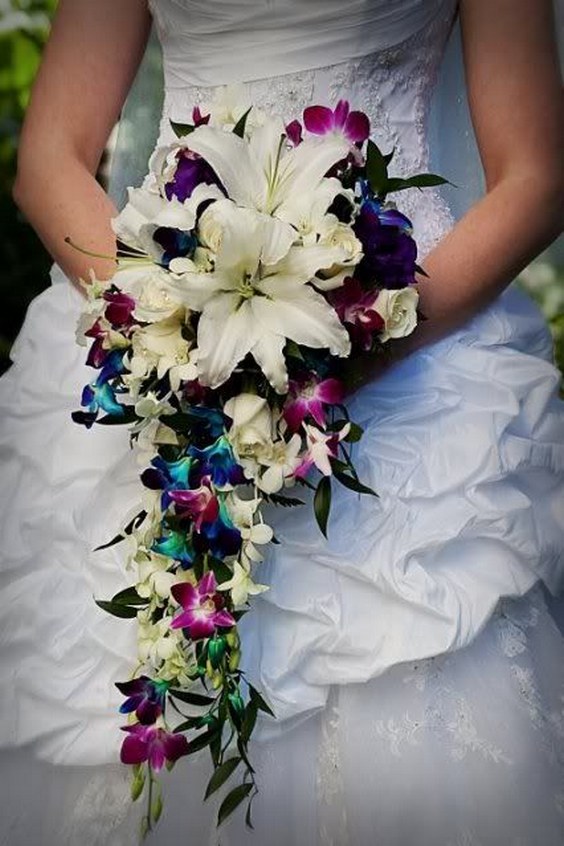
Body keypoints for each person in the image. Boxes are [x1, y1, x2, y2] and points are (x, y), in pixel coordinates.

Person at [1, 1, 563, 844]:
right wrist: (164, 321)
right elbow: (50, 153)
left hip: (404, 347)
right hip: (160, 329)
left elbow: (538, 173)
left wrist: (358, 337)